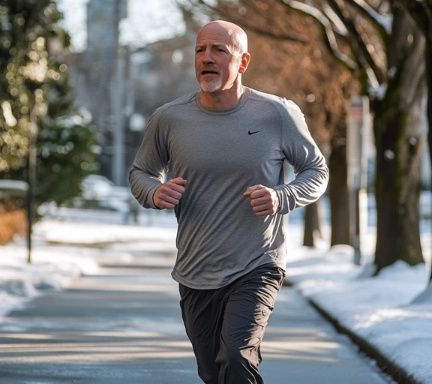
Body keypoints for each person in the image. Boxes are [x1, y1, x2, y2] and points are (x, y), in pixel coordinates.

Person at [128, 20, 328, 384]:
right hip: (196, 270)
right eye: (201, 50)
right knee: (212, 371)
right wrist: (155, 192)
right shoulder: (170, 118)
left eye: (219, 50)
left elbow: (316, 170)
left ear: (243, 61)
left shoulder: (277, 113)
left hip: (257, 264)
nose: (207, 58)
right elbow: (140, 172)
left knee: (237, 359)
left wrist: (282, 196)